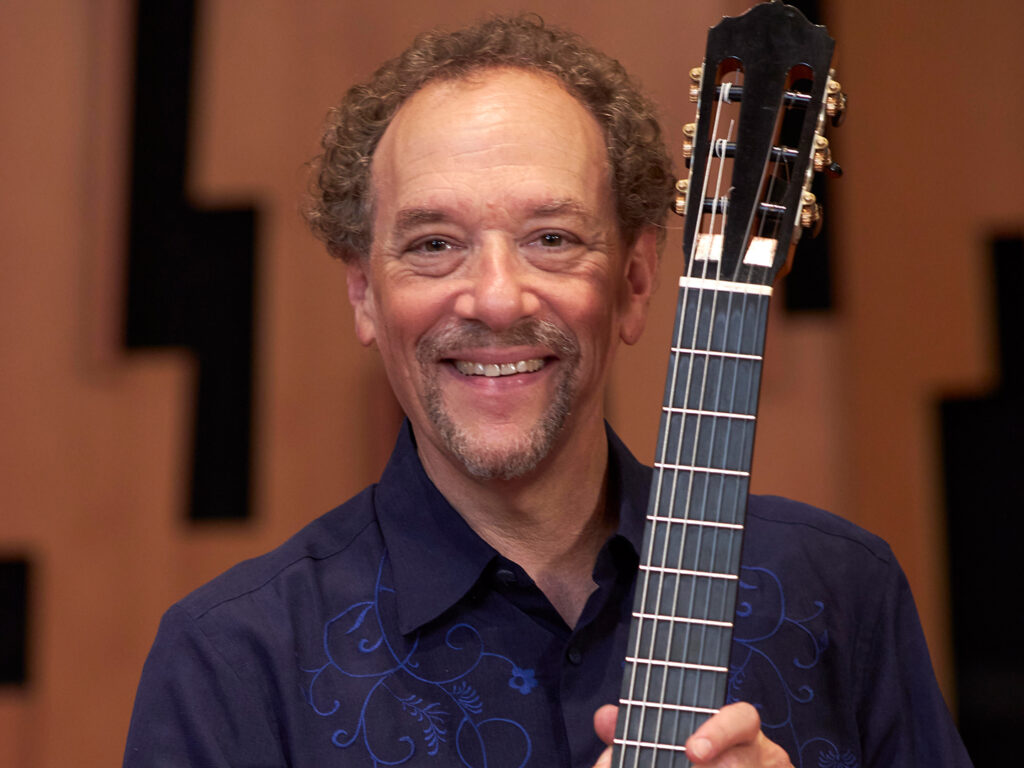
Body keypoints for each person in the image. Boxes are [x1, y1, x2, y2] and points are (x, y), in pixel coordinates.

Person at [123, 15, 972, 768]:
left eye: (552, 237)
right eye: (433, 244)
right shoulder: (234, 661)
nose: (496, 298)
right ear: (363, 294)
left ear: (636, 280)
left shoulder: (836, 589)